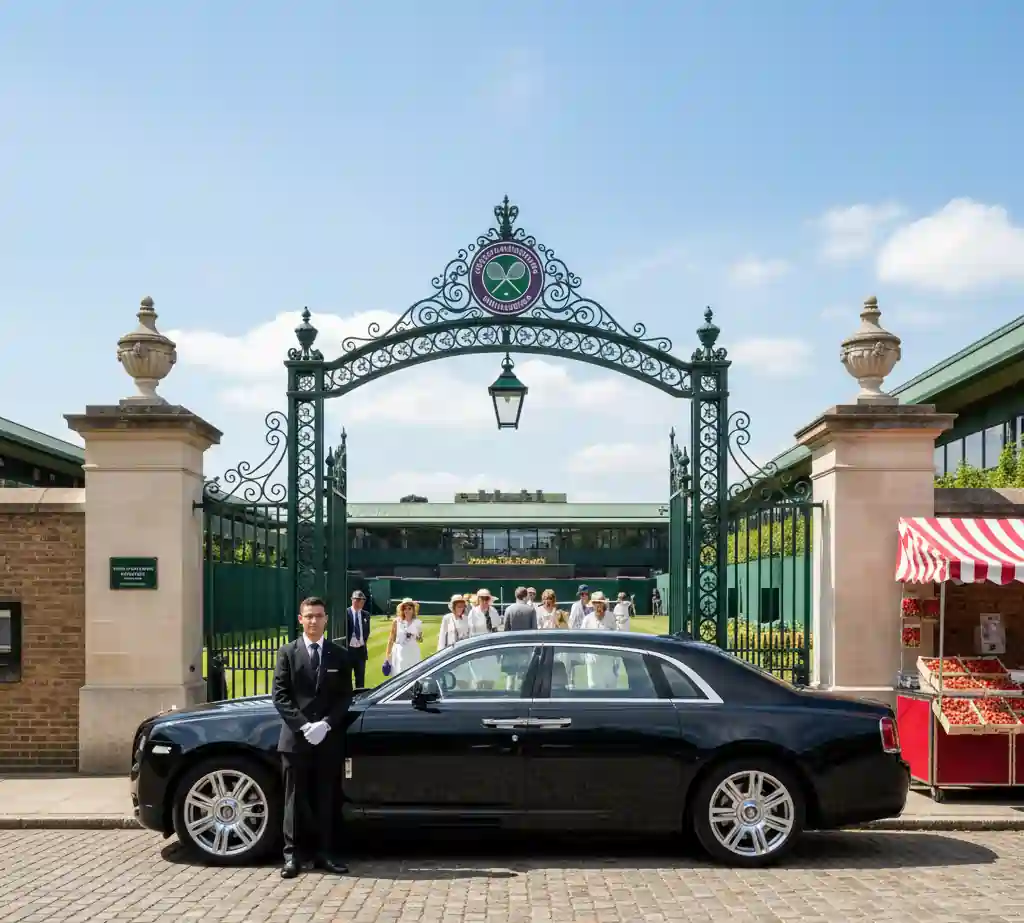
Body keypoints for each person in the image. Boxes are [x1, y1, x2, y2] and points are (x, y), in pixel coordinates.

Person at [271, 596, 352, 878]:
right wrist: (304, 726)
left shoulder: (339, 654)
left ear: (326, 619)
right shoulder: (287, 653)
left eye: (319, 616)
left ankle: (325, 853)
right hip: (295, 740)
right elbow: (280, 697)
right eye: (309, 616)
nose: (314, 621)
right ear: (300, 619)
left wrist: (327, 724)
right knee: (294, 799)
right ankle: (292, 856)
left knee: (326, 798)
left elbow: (345, 697)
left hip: (328, 740)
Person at [582, 591, 618, 689]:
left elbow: (617, 637)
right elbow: (582, 640)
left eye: (600, 603)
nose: (598, 606)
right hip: (593, 661)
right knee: (594, 688)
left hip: (608, 659)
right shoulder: (587, 619)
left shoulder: (611, 617)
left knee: (610, 688)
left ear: (603, 603)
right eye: (596, 603)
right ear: (592, 604)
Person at [385, 598, 423, 675]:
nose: (407, 611)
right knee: (400, 674)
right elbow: (391, 639)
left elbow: (420, 639)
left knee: (414, 674)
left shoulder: (417, 622)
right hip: (400, 652)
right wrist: (387, 656)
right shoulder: (397, 621)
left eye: (409, 608)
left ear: (413, 610)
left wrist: (415, 636)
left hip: (413, 651)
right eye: (405, 608)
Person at [344, 590, 371, 688]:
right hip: (348, 650)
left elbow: (367, 631)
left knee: (360, 678)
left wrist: (362, 641)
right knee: (346, 678)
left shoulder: (366, 614)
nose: (361, 602)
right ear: (352, 600)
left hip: (360, 651)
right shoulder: (346, 613)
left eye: (363, 600)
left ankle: (360, 698)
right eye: (358, 600)